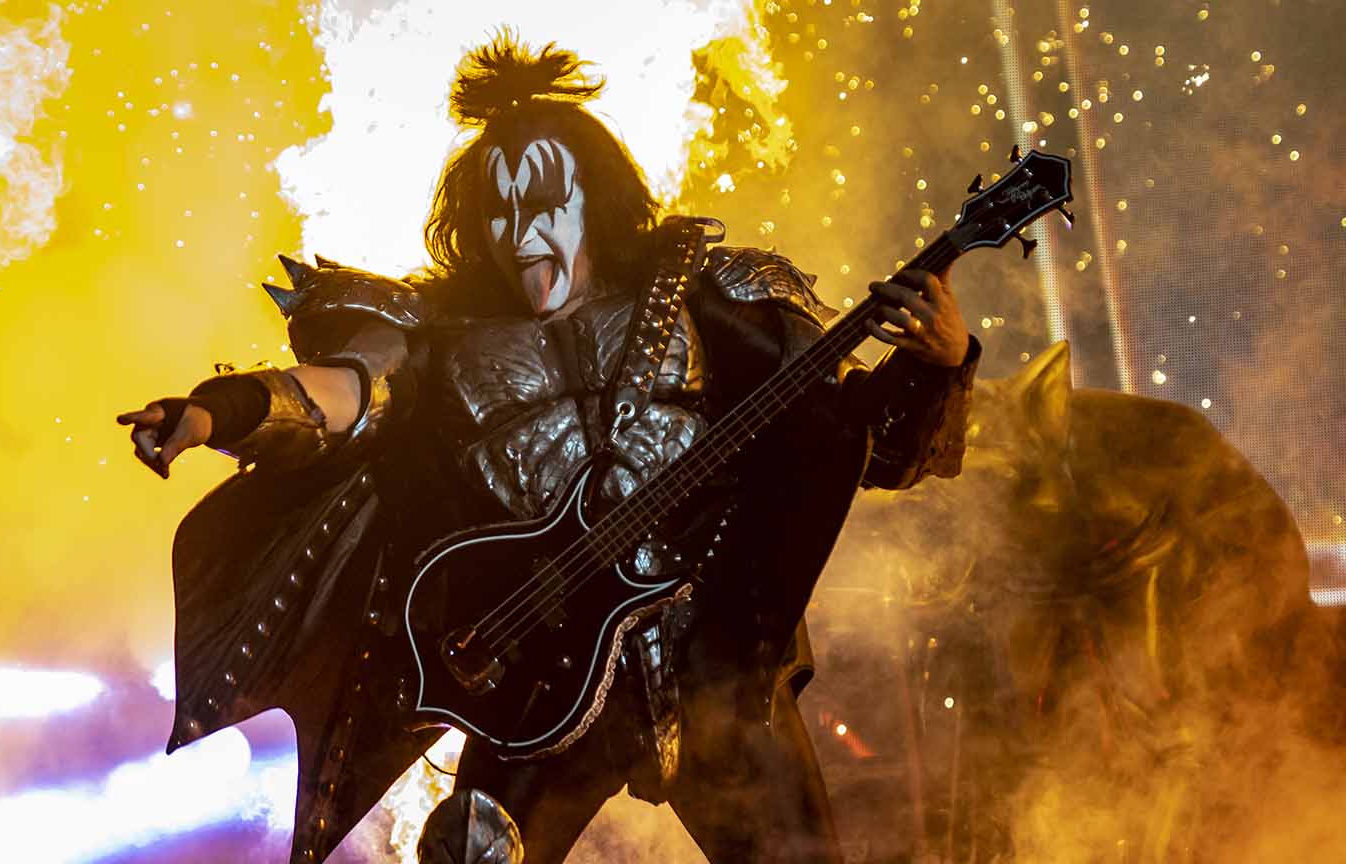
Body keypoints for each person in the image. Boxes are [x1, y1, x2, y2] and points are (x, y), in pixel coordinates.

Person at [117, 35, 979, 864]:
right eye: (496, 208)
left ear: (591, 200)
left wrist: (939, 363)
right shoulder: (444, 339)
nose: (518, 227)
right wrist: (214, 413)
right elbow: (344, 390)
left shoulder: (708, 304)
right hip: (539, 687)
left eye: (542, 202)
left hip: (713, 667)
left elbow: (861, 442)